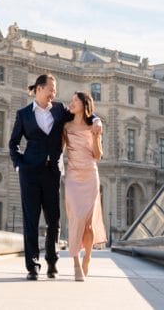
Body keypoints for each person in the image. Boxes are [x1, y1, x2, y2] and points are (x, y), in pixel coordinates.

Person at [9, 73, 67, 280]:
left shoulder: (60, 110)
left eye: (55, 90)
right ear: (40, 89)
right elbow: (13, 143)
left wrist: (96, 121)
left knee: (54, 219)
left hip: (52, 172)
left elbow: (81, 115)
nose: (54, 93)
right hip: (30, 173)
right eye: (51, 89)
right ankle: (32, 265)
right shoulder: (24, 114)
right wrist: (18, 165)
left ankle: (52, 261)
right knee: (30, 220)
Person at [62, 91, 107, 282]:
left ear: (83, 104)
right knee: (76, 219)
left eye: (74, 101)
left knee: (87, 224)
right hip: (72, 176)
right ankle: (75, 263)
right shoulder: (65, 126)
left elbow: (97, 156)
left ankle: (87, 256)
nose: (70, 103)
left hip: (90, 175)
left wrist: (96, 137)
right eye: (71, 100)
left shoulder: (94, 126)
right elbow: (59, 150)